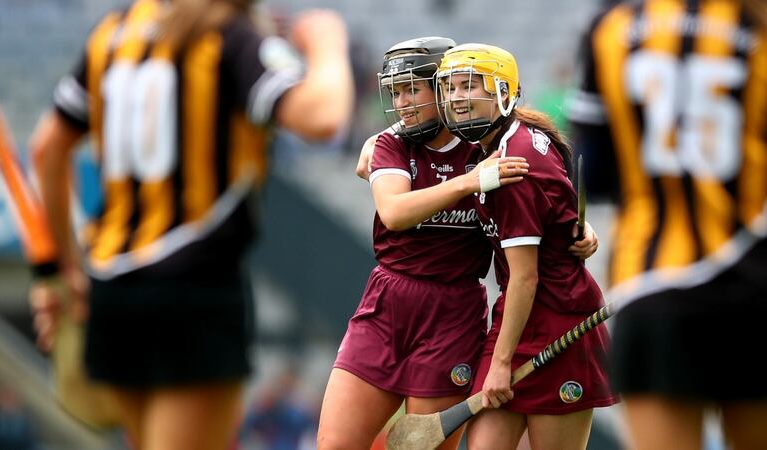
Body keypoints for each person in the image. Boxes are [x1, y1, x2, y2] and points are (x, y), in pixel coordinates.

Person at [26, 1, 354, 449]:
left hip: (114, 293)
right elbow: (322, 116)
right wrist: (327, 42)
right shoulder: (224, 35)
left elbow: (47, 149)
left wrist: (63, 268)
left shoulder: (114, 34)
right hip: (194, 291)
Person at [317, 37, 598, 450]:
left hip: (453, 312)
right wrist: (468, 181)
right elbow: (393, 213)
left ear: (442, 88)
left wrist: (575, 232)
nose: (403, 102)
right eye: (396, 92)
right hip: (386, 304)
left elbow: (545, 200)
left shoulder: (488, 142)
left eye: (413, 89)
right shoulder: (393, 143)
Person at [567, 1, 767, 449]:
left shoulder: (614, 27)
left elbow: (594, 173)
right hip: (754, 284)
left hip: (653, 284)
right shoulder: (756, 24)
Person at [435, 43, 618, 450]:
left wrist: (500, 364)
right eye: (450, 88)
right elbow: (558, 213)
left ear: (503, 92)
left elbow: (526, 276)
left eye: (471, 86)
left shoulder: (514, 165)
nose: (457, 98)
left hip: (558, 324)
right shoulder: (508, 138)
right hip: (515, 321)